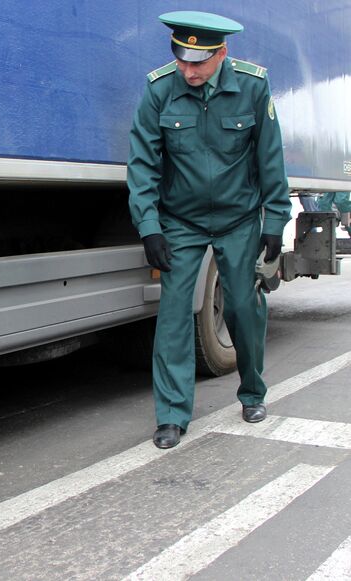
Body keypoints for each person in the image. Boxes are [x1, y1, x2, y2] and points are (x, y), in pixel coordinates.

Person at [127, 11, 292, 449]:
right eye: (181, 59)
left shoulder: (253, 87)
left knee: (242, 306)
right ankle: (171, 415)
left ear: (222, 53)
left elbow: (269, 158)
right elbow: (142, 164)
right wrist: (150, 228)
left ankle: (253, 392)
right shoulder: (159, 89)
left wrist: (274, 222)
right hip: (180, 220)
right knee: (174, 315)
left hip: (239, 219)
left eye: (199, 61)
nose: (189, 70)